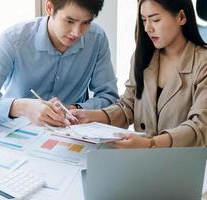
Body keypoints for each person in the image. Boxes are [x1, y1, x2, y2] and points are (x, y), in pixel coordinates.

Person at [70, 0, 207, 148]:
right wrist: (91, 115)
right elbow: (128, 105)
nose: (148, 28)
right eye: (144, 20)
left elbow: (200, 126)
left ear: (181, 17)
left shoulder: (202, 62)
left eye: (155, 20)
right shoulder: (143, 56)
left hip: (181, 164)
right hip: (141, 160)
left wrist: (150, 144)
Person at [0, 0, 119, 126]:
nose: (77, 32)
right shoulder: (14, 39)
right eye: (69, 21)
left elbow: (110, 98)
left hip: (72, 132)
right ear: (49, 7)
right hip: (19, 130)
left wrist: (74, 108)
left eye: (86, 23)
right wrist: (23, 107)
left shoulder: (97, 38)